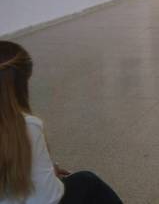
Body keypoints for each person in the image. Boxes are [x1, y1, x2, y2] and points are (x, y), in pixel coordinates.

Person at [0, 41, 122, 204]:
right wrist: (53, 179)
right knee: (87, 181)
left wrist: (49, 170)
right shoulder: (27, 126)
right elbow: (46, 198)